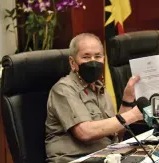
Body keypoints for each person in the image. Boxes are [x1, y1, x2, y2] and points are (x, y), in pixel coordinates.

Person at [45, 33, 143, 163]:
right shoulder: (63, 89)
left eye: (98, 56)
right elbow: (85, 133)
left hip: (105, 156)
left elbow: (116, 132)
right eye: (86, 57)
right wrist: (134, 115)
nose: (93, 61)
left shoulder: (99, 88)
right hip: (75, 159)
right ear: (72, 62)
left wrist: (127, 100)